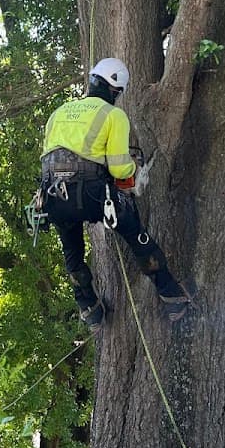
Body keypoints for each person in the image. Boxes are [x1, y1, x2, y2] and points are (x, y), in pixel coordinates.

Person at [40, 57, 191, 326]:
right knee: (137, 237)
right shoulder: (113, 115)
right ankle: (172, 296)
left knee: (72, 253)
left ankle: (89, 307)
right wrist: (134, 168)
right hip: (92, 194)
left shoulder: (57, 114)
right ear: (115, 91)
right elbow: (120, 169)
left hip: (53, 196)